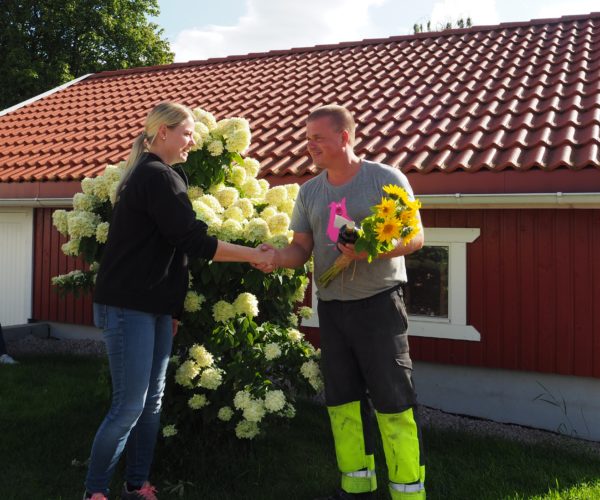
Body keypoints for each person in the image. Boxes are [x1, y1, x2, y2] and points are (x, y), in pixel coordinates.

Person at [83, 102, 274, 500]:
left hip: (151, 308)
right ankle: (95, 491)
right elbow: (192, 242)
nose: (193, 140)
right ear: (162, 133)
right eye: (187, 133)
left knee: (150, 405)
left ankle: (137, 485)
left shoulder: (164, 176)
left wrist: (170, 310)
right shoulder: (156, 176)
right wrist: (255, 255)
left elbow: (169, 251)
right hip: (127, 306)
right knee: (129, 407)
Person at [255, 105, 426, 500]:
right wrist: (276, 258)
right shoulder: (310, 191)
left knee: (393, 399)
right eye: (308, 138)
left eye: (318, 137)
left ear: (345, 137)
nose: (309, 145)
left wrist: (369, 251)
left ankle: (408, 493)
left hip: (380, 305)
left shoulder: (385, 179)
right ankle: (356, 487)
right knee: (342, 400)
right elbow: (300, 248)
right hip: (332, 309)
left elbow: (415, 238)